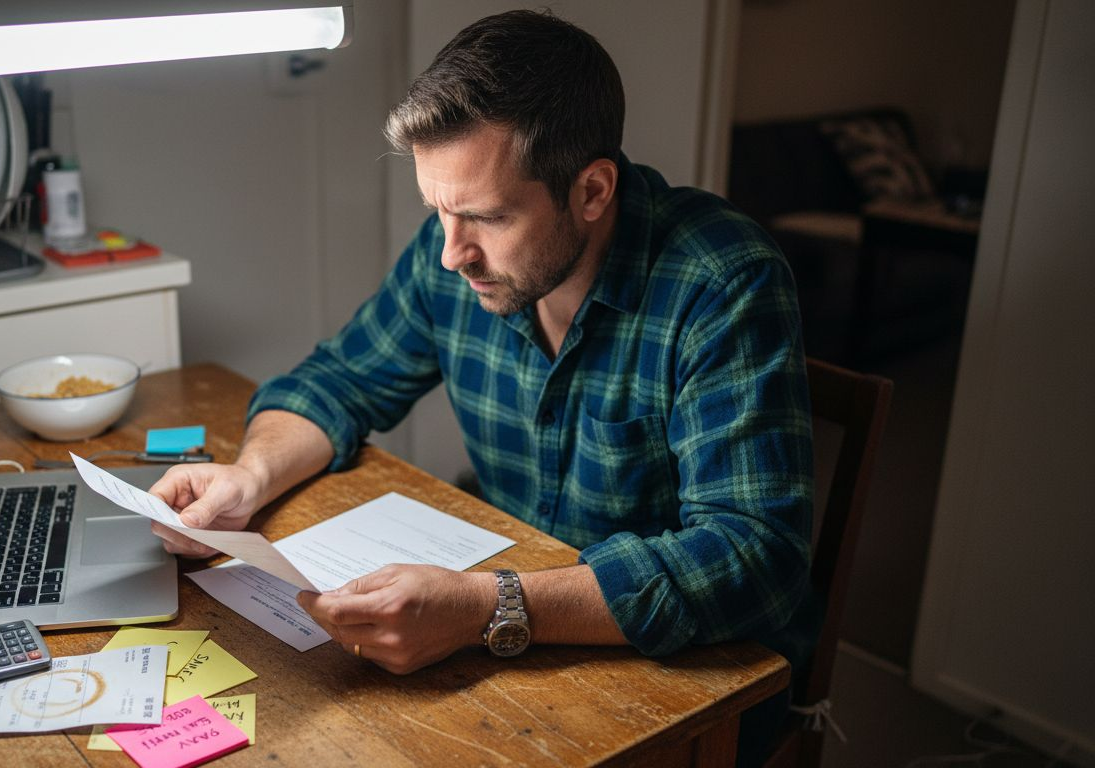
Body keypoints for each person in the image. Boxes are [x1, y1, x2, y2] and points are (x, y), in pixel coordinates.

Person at [148, 9, 814, 764]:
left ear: (592, 191)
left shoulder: (722, 282)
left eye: (487, 216)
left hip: (682, 689)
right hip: (503, 660)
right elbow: (338, 380)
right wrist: (248, 477)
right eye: (438, 209)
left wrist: (492, 607)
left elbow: (757, 559)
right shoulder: (466, 254)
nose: (450, 254)